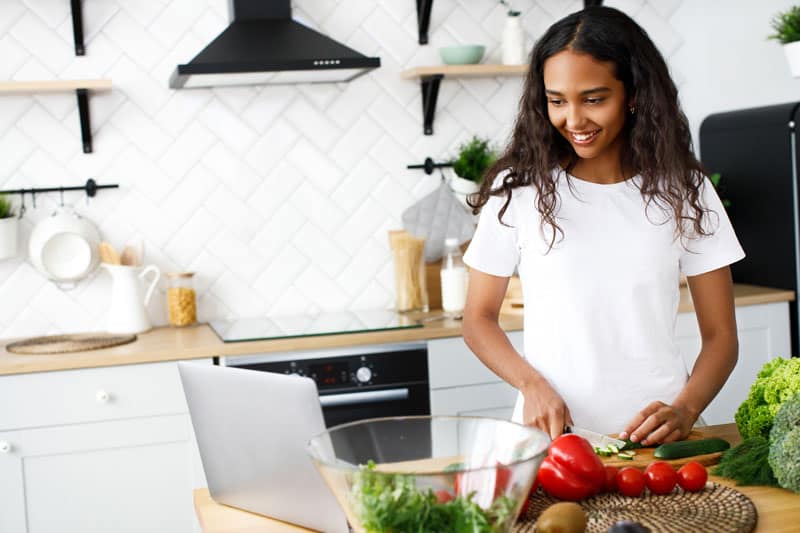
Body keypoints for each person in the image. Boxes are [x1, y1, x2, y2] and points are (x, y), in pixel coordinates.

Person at [462, 6, 744, 445]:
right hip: (552, 441)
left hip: (658, 442)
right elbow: (478, 319)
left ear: (633, 94)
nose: (573, 121)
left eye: (594, 99)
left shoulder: (686, 190)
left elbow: (722, 336)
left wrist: (686, 409)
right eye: (556, 101)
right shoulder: (518, 189)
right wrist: (531, 385)